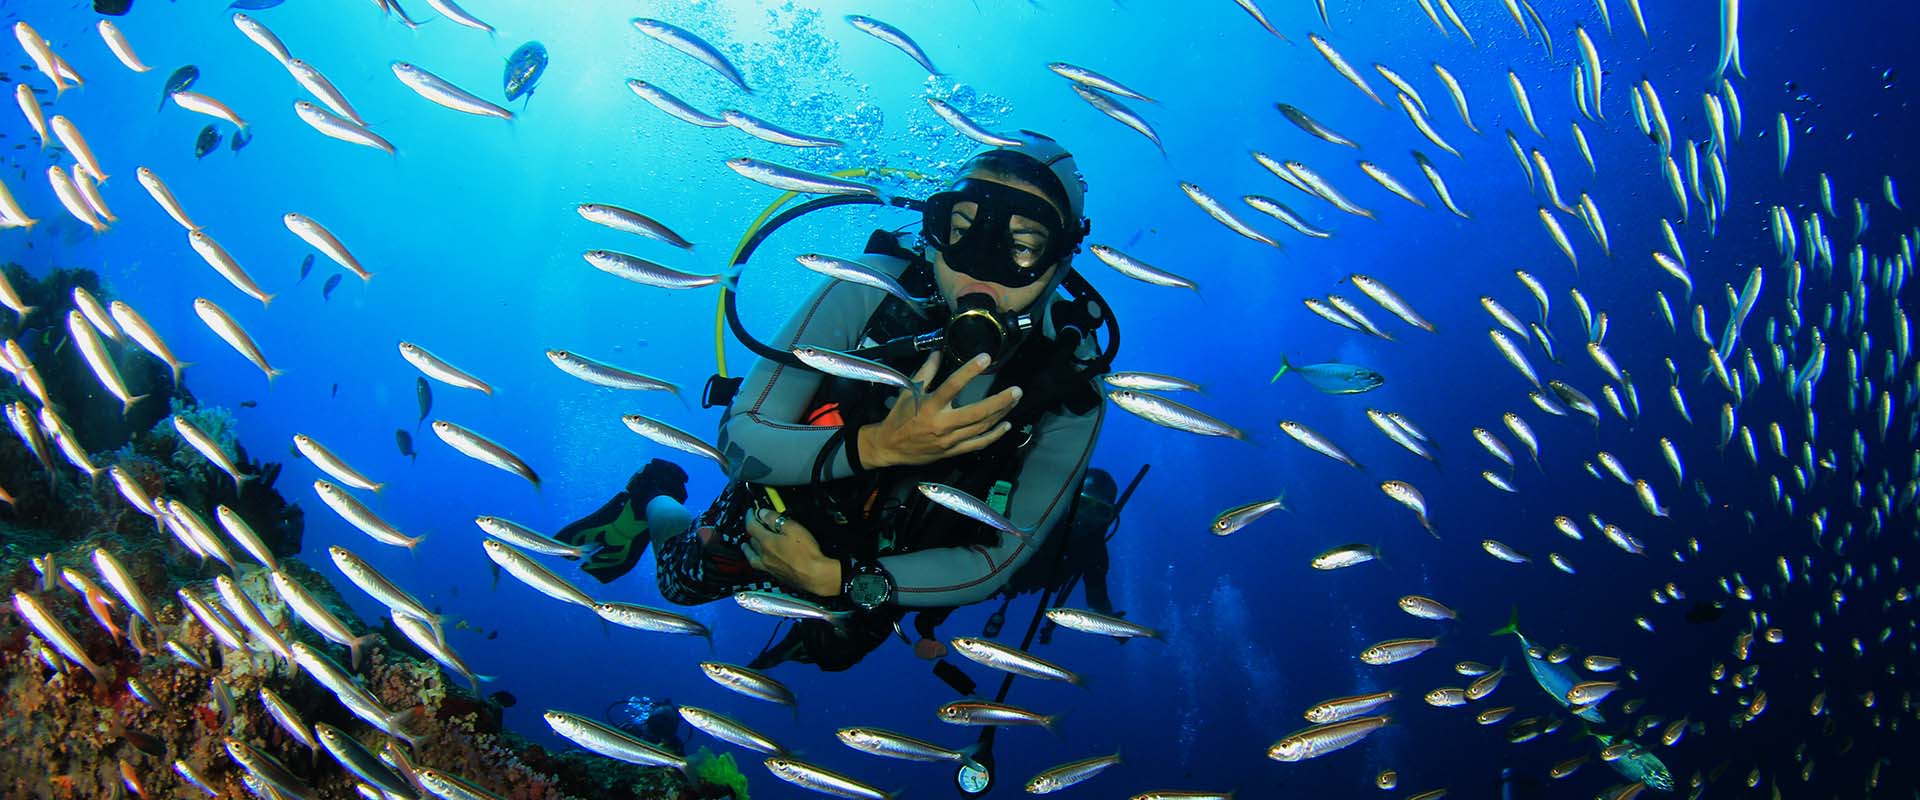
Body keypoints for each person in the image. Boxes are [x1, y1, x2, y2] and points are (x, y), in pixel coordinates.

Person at [563, 131, 1114, 671]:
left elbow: (1003, 555)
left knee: (837, 654)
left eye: (1020, 246)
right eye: (962, 230)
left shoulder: (1071, 388)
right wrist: (878, 447)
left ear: (1060, 258)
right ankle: (651, 495)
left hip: (883, 562)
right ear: (935, 227)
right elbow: (741, 436)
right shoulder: (870, 288)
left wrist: (841, 580)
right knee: (681, 583)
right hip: (773, 514)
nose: (978, 266)